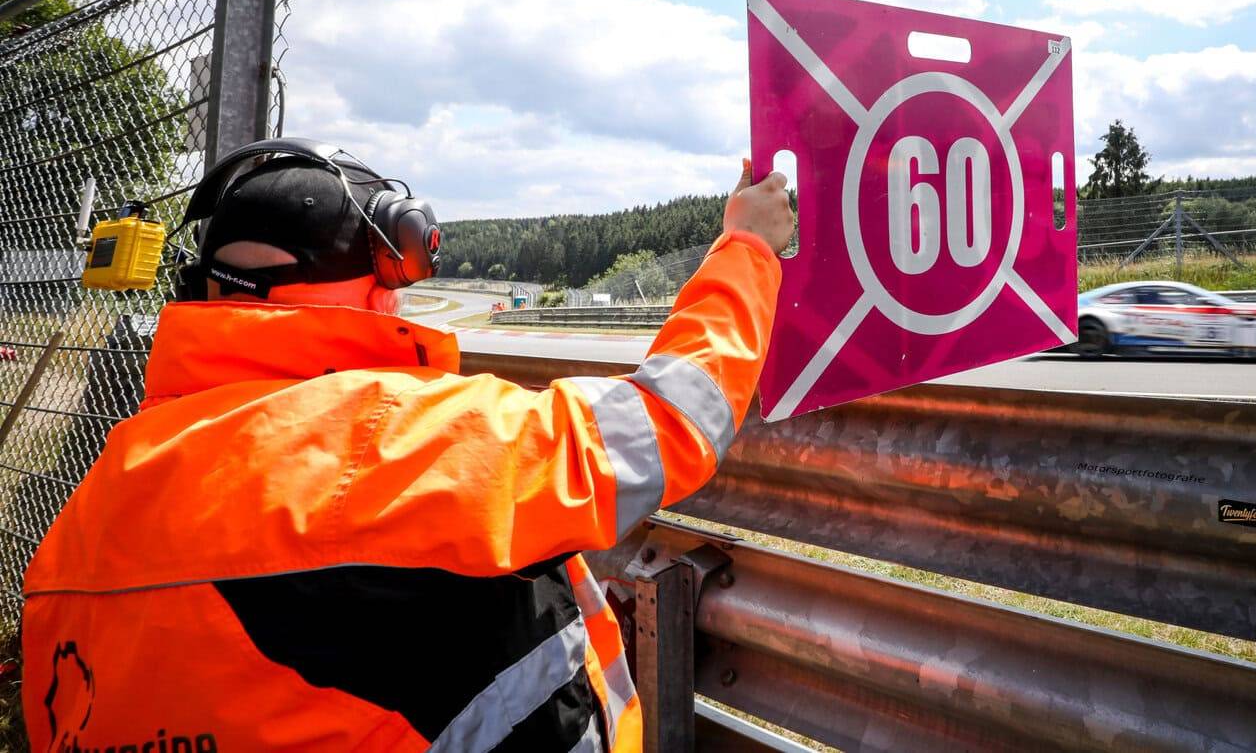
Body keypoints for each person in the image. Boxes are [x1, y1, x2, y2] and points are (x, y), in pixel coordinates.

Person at [21, 139, 793, 752]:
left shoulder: (90, 506)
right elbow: (668, 420)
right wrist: (747, 249)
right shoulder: (396, 433)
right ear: (376, 277)